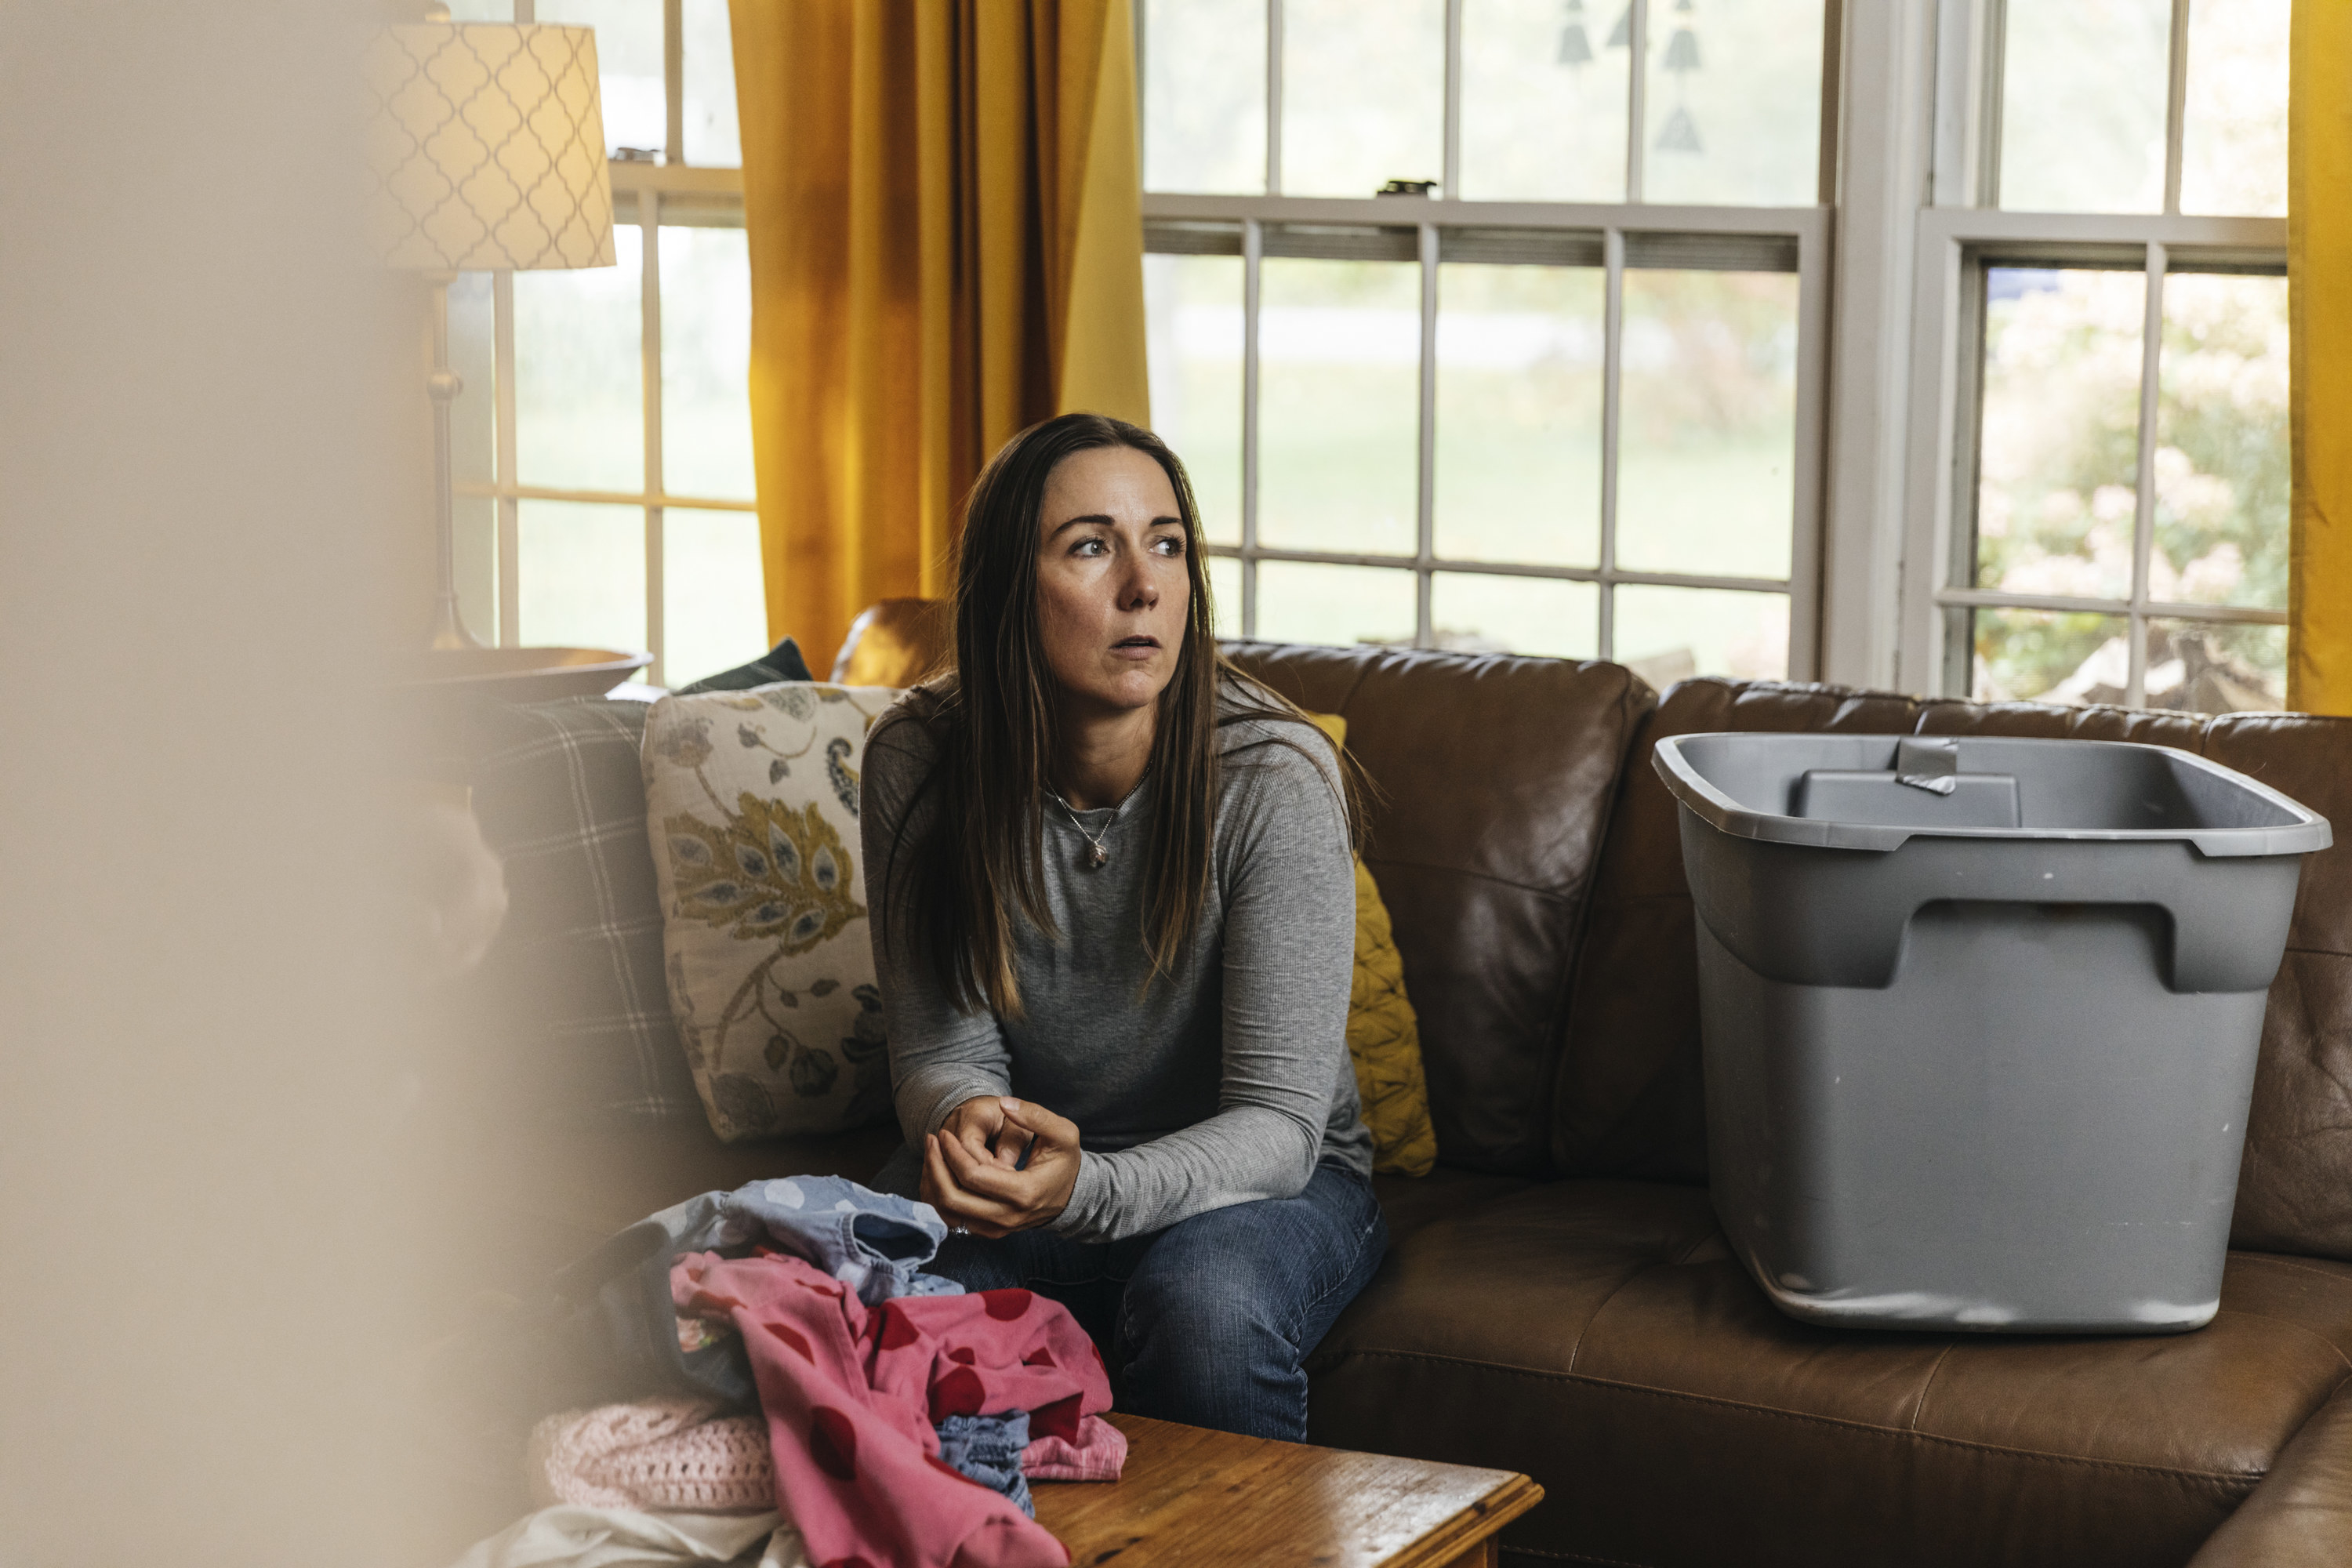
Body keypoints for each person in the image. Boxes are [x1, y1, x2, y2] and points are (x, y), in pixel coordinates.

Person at [860, 411, 1385, 1443]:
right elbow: (939, 1047)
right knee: (873, 1288)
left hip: (1271, 1183)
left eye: (1169, 545)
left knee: (1205, 1315)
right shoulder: (918, 760)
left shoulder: (1273, 780)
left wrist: (1088, 1190)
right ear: (1014, 585)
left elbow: (1282, 1131)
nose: (1144, 586)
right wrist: (969, 1123)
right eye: (1092, 546)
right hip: (1037, 1173)